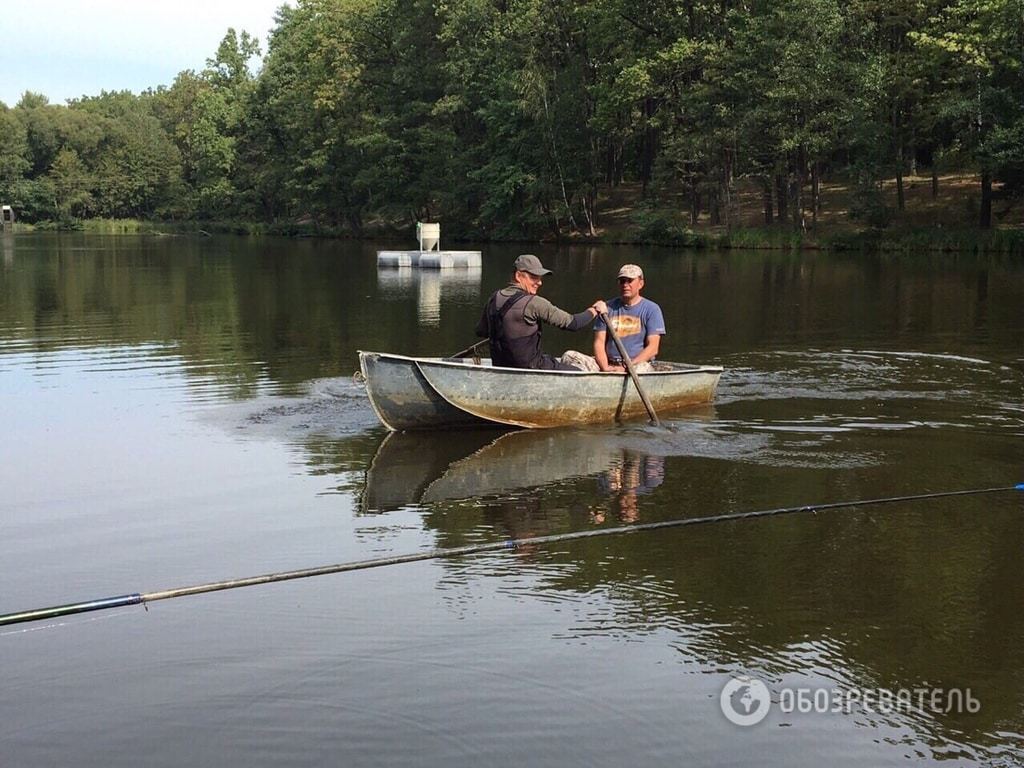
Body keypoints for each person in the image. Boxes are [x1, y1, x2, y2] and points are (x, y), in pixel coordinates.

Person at [476, 254, 608, 370]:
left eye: (540, 278)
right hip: (531, 367)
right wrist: (594, 310)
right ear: (518, 276)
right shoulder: (534, 303)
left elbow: (481, 331)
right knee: (577, 372)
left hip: (501, 366)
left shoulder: (494, 298)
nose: (539, 282)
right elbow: (573, 323)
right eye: (533, 277)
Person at [562, 263, 665, 374]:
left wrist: (627, 367)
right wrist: (605, 367)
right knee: (569, 356)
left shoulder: (652, 309)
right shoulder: (606, 308)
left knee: (641, 369)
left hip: (636, 365)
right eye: (622, 281)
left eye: (629, 281)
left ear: (640, 284)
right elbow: (599, 342)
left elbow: (653, 347)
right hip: (609, 364)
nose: (625, 285)